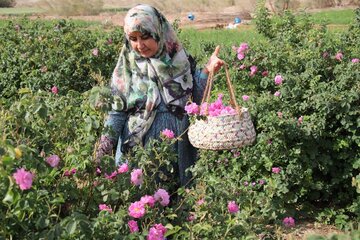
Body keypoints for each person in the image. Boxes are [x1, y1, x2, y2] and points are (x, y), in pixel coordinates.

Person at [95, 4, 224, 187]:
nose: (140, 45)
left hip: (178, 152)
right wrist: (101, 155)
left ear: (159, 32)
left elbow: (194, 100)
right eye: (133, 38)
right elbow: (116, 114)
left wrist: (206, 71)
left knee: (177, 202)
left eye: (145, 36)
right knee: (140, 203)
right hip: (138, 155)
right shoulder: (126, 71)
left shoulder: (180, 62)